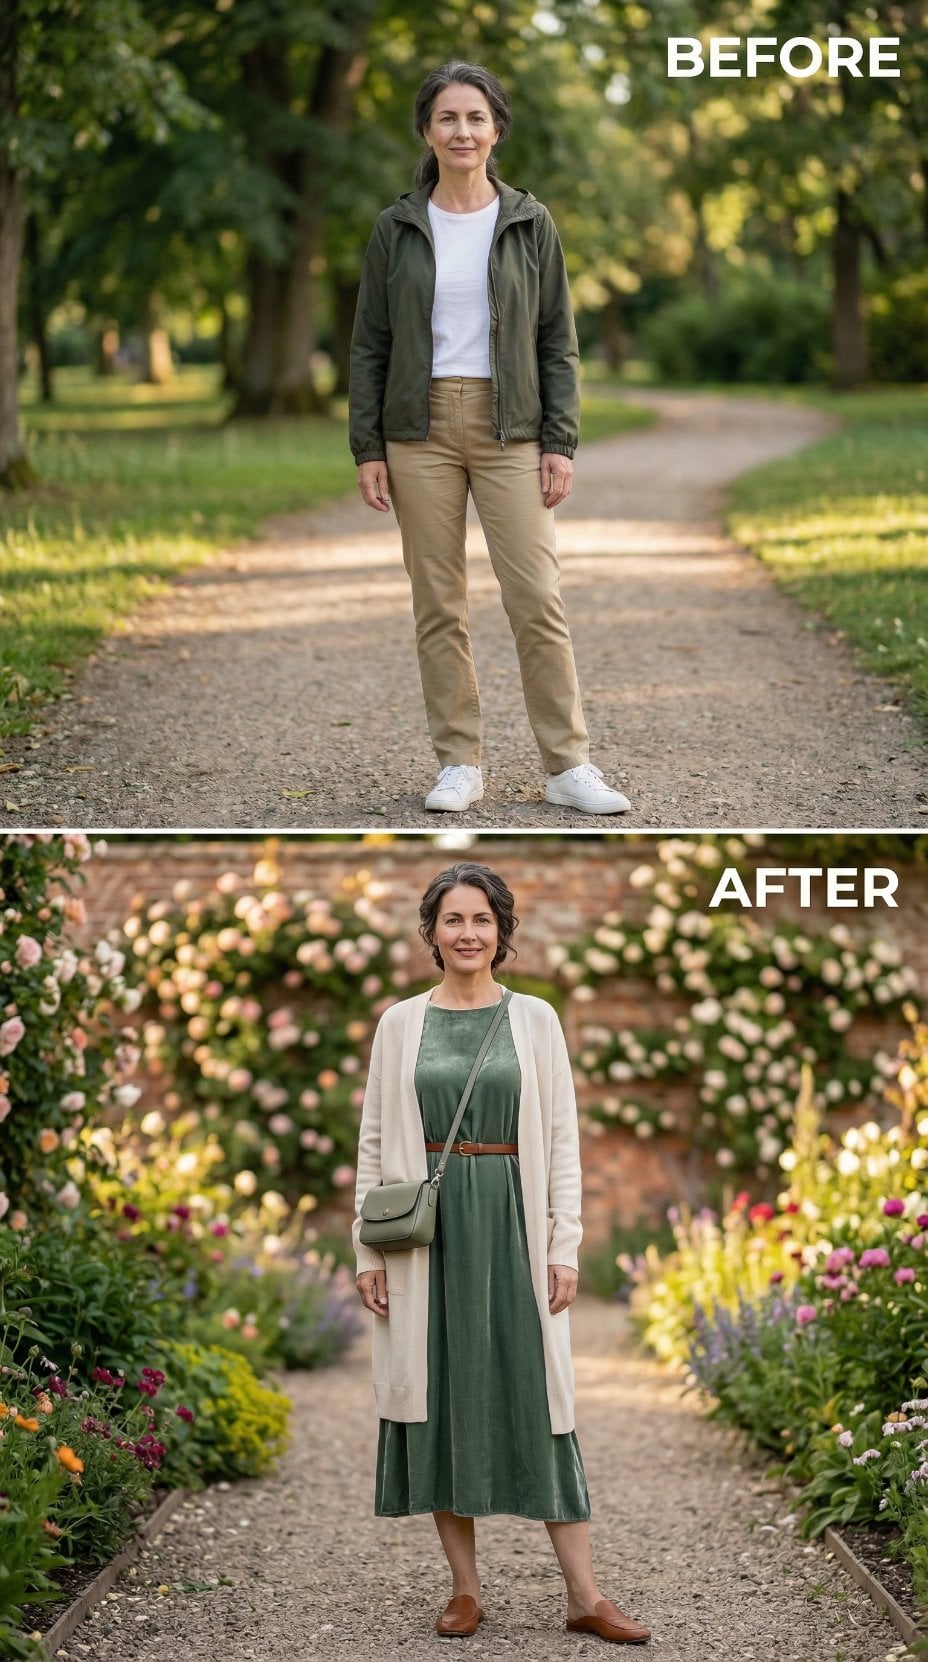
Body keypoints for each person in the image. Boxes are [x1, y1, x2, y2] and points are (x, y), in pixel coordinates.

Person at [352, 861, 651, 1645]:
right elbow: (375, 1143)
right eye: (453, 920)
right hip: (428, 1236)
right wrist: (368, 1253)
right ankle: (463, 1590)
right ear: (432, 932)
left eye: (481, 919)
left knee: (542, 1400)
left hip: (515, 1226)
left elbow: (560, 1141)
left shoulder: (536, 1021)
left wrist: (565, 1246)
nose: (467, 933)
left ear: (502, 931)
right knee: (442, 1393)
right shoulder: (399, 1024)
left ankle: (585, 1594)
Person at [348, 61, 631, 818]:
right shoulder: (397, 226)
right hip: (420, 429)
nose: (462, 131)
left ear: (496, 128)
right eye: (448, 118)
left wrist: (560, 441)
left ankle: (568, 765)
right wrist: (368, 446)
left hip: (513, 427)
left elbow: (556, 341)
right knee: (438, 601)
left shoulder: (530, 222)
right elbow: (370, 345)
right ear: (427, 131)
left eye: (475, 117)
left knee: (537, 596)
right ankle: (458, 761)